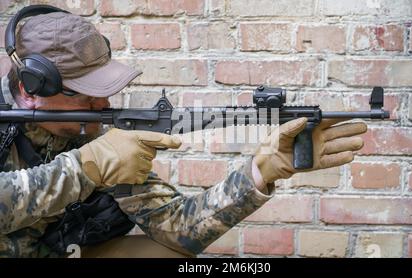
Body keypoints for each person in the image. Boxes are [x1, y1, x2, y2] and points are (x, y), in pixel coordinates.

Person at [0, 5, 367, 258]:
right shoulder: (93, 150)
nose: (103, 105)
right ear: (35, 88)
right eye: (89, 94)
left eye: (106, 90)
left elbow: (178, 227)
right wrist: (86, 168)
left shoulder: (96, 135)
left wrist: (261, 171)